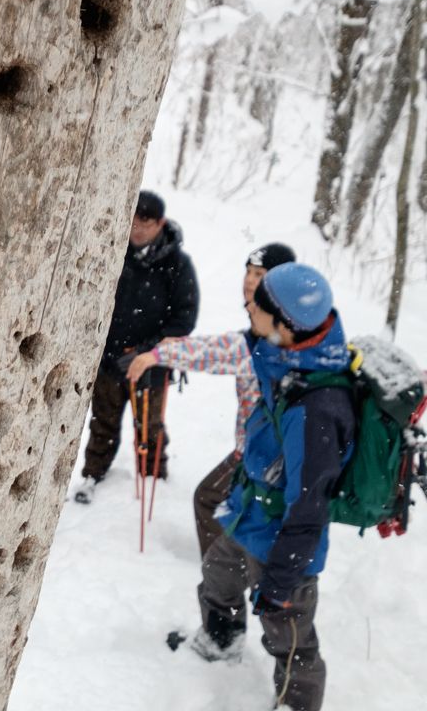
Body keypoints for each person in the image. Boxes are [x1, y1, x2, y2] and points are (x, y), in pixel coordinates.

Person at [169, 263, 352, 711]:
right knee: (217, 578)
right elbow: (243, 347)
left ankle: (297, 702)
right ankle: (220, 642)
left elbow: (308, 506)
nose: (249, 306)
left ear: (285, 324)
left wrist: (282, 580)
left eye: (259, 305)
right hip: (252, 518)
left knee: (290, 637)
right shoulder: (291, 350)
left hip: (287, 543)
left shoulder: (317, 410)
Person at [125, 243, 296, 556]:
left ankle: (227, 572)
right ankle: (237, 569)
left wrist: (157, 355)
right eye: (248, 272)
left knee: (210, 499)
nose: (248, 280)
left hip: (264, 455)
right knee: (230, 504)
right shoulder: (291, 327)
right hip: (277, 453)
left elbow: (215, 351)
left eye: (259, 274)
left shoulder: (264, 344)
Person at [75, 190, 199, 503]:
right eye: (134, 220)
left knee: (150, 427)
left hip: (151, 364)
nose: (138, 228)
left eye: (146, 222)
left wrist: (146, 350)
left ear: (160, 223)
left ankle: (154, 479)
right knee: (102, 422)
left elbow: (184, 318)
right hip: (109, 358)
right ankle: (92, 474)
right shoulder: (114, 249)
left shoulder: (177, 263)